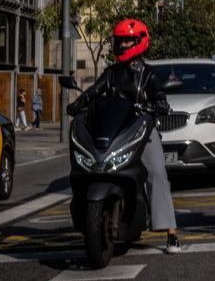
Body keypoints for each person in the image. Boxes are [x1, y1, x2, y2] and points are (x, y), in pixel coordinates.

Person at [69, 18, 183, 253]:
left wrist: (160, 103)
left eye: (128, 40)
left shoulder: (148, 74)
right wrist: (80, 101)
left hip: (141, 129)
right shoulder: (110, 73)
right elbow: (95, 90)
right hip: (115, 130)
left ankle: (171, 232)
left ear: (140, 41)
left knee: (157, 173)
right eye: (120, 41)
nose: (122, 45)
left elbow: (159, 94)